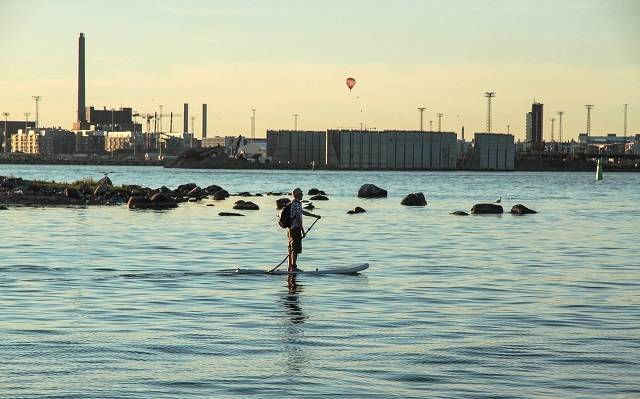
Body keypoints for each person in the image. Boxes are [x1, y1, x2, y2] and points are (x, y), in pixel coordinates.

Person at [288, 188, 321, 272]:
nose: (302, 195)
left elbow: (302, 212)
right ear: (298, 195)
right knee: (295, 249)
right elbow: (298, 219)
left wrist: (314, 216)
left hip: (290, 229)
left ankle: (290, 267)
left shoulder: (294, 203)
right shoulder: (297, 204)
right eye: (301, 194)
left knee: (291, 248)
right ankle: (294, 267)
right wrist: (303, 231)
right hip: (295, 229)